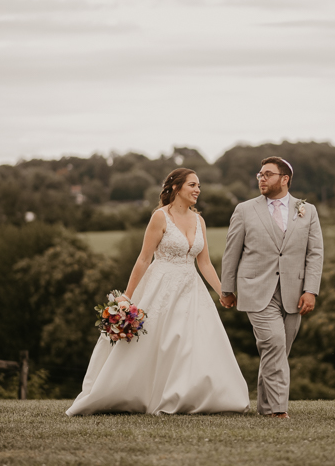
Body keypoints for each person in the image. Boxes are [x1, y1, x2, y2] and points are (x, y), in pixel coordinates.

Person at [66, 168, 250, 416]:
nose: (197, 190)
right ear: (176, 187)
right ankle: (143, 393)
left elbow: (204, 263)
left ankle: (187, 395)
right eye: (192, 185)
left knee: (192, 342)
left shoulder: (200, 221)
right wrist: (127, 297)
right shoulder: (160, 217)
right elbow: (144, 258)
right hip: (161, 285)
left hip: (191, 287)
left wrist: (223, 292)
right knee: (160, 341)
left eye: (199, 186)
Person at [221, 156, 324, 419]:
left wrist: (311, 290)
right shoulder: (244, 210)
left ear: (285, 179)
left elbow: (315, 254)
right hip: (256, 289)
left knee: (276, 351)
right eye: (259, 174)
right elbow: (232, 251)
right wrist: (227, 288)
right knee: (274, 344)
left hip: (294, 292)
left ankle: (265, 408)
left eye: (267, 174)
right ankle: (279, 411)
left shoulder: (307, 210)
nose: (261, 178)